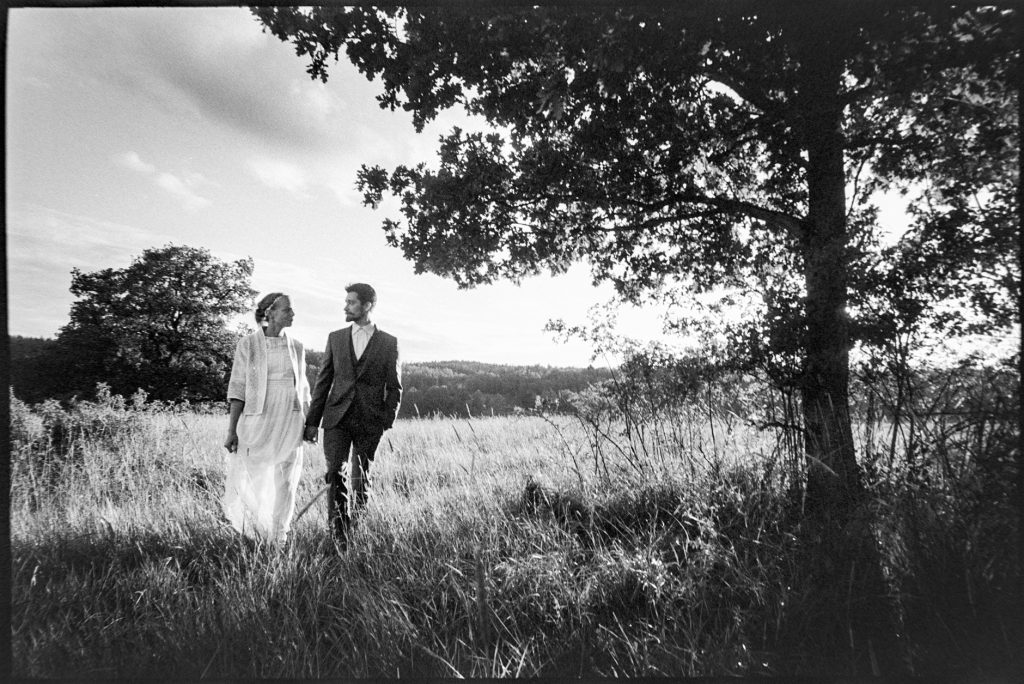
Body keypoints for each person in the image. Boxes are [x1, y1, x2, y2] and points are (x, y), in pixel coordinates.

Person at [304, 283, 402, 549]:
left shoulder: (388, 342)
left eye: (351, 302)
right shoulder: (335, 338)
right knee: (335, 473)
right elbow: (323, 381)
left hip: (370, 421)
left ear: (367, 305)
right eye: (346, 301)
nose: (345, 307)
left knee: (362, 478)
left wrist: (386, 420)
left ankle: (357, 526)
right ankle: (339, 534)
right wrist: (313, 422)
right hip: (336, 418)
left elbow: (394, 387)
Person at [222, 292, 311, 544]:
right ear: (270, 313)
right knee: (254, 476)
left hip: (290, 418)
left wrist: (309, 423)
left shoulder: (297, 346)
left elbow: (303, 389)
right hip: (257, 418)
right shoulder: (248, 345)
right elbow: (238, 388)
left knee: (286, 479)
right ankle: (258, 532)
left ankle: (279, 536)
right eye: (287, 310)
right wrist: (232, 429)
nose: (292, 314)